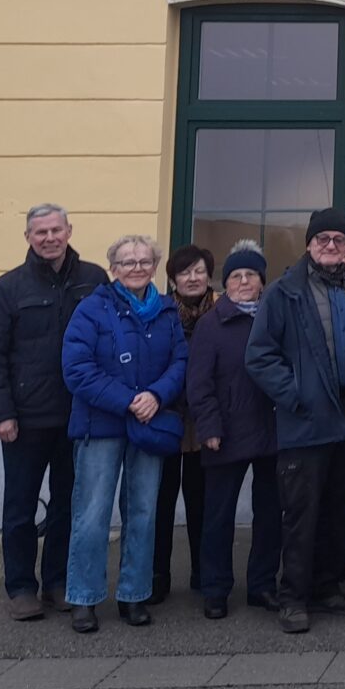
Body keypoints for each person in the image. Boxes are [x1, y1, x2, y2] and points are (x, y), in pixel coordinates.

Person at [244, 208, 345, 634]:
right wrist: (296, 394)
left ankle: (328, 586)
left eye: (339, 240)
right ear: (309, 244)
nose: (331, 246)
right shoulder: (285, 292)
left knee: (340, 509)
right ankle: (293, 597)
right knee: (302, 513)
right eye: (323, 239)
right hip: (306, 421)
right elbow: (259, 356)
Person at [0, 203, 106, 620]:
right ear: (28, 238)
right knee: (20, 506)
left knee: (69, 504)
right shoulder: (8, 288)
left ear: (69, 231)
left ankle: (57, 583)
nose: (49, 238)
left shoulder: (94, 280)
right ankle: (20, 588)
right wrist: (0, 412)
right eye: (40, 232)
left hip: (78, 417)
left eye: (55, 230)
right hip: (25, 419)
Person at [61, 235, 188, 633]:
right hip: (101, 426)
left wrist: (157, 394)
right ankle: (84, 598)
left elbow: (181, 361)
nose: (136, 267)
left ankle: (134, 594)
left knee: (144, 513)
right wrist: (130, 400)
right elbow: (77, 370)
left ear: (154, 266)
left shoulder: (167, 312)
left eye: (144, 261)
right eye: (128, 261)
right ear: (113, 268)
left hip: (149, 424)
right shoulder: (91, 310)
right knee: (92, 514)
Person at [187, 241, 280, 618]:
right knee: (218, 515)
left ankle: (262, 584)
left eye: (251, 275)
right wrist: (209, 426)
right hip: (224, 431)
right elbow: (199, 383)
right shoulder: (211, 323)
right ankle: (215, 588)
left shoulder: (274, 318)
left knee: (271, 514)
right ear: (226, 283)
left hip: (271, 430)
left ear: (262, 281)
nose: (244, 282)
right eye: (236, 276)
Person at [151, 243, 215, 604]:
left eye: (199, 271)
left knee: (202, 502)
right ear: (172, 279)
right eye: (185, 272)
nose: (193, 278)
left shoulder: (222, 312)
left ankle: (203, 574)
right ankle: (157, 575)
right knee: (160, 502)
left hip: (205, 424)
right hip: (166, 419)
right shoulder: (159, 314)